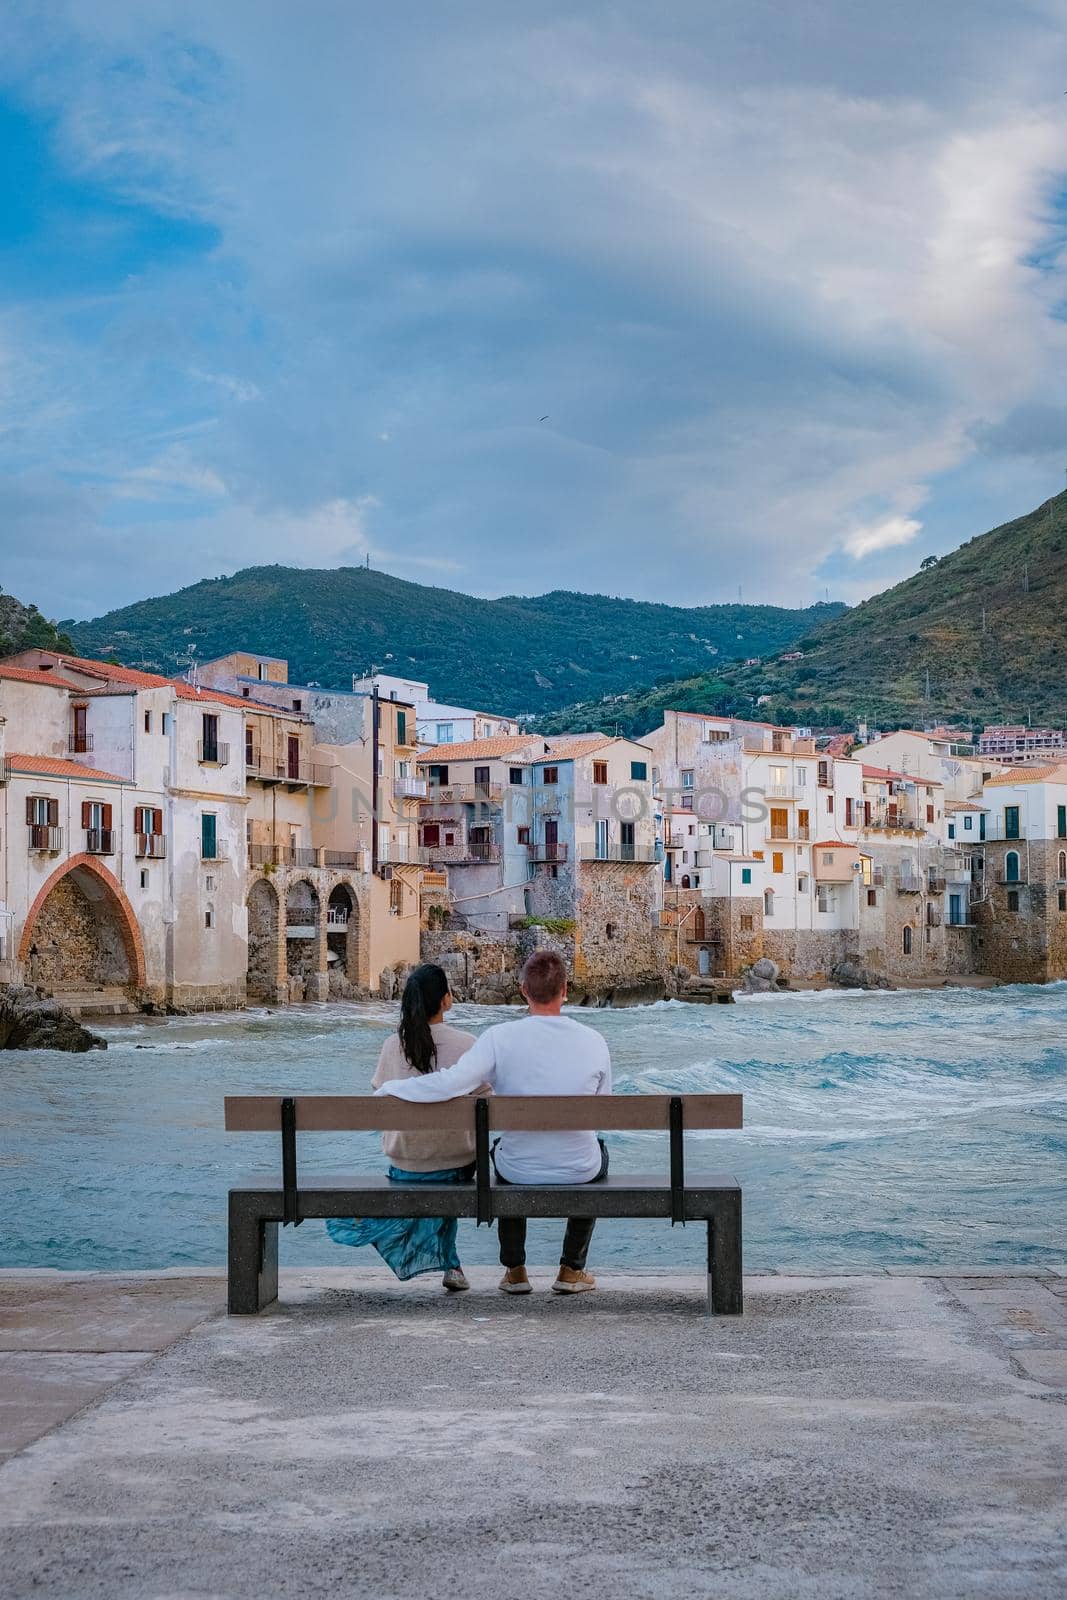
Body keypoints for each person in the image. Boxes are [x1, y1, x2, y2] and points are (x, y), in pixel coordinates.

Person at [376, 949, 612, 1296]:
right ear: (565, 990)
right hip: (579, 1168)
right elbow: (604, 1109)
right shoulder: (595, 1041)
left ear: (523, 991)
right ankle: (572, 1269)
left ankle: (515, 1271)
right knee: (598, 1153)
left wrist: (394, 1088)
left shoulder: (498, 1038)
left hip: (517, 1169)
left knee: (505, 1152)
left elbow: (450, 1083)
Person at [326, 964, 478, 1291]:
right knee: (446, 1163)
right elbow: (487, 1101)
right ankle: (451, 1265)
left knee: (426, 1159)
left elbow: (379, 1099)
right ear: (446, 1001)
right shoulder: (468, 1045)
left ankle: (451, 1264)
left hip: (404, 1164)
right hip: (458, 1165)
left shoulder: (392, 1046)